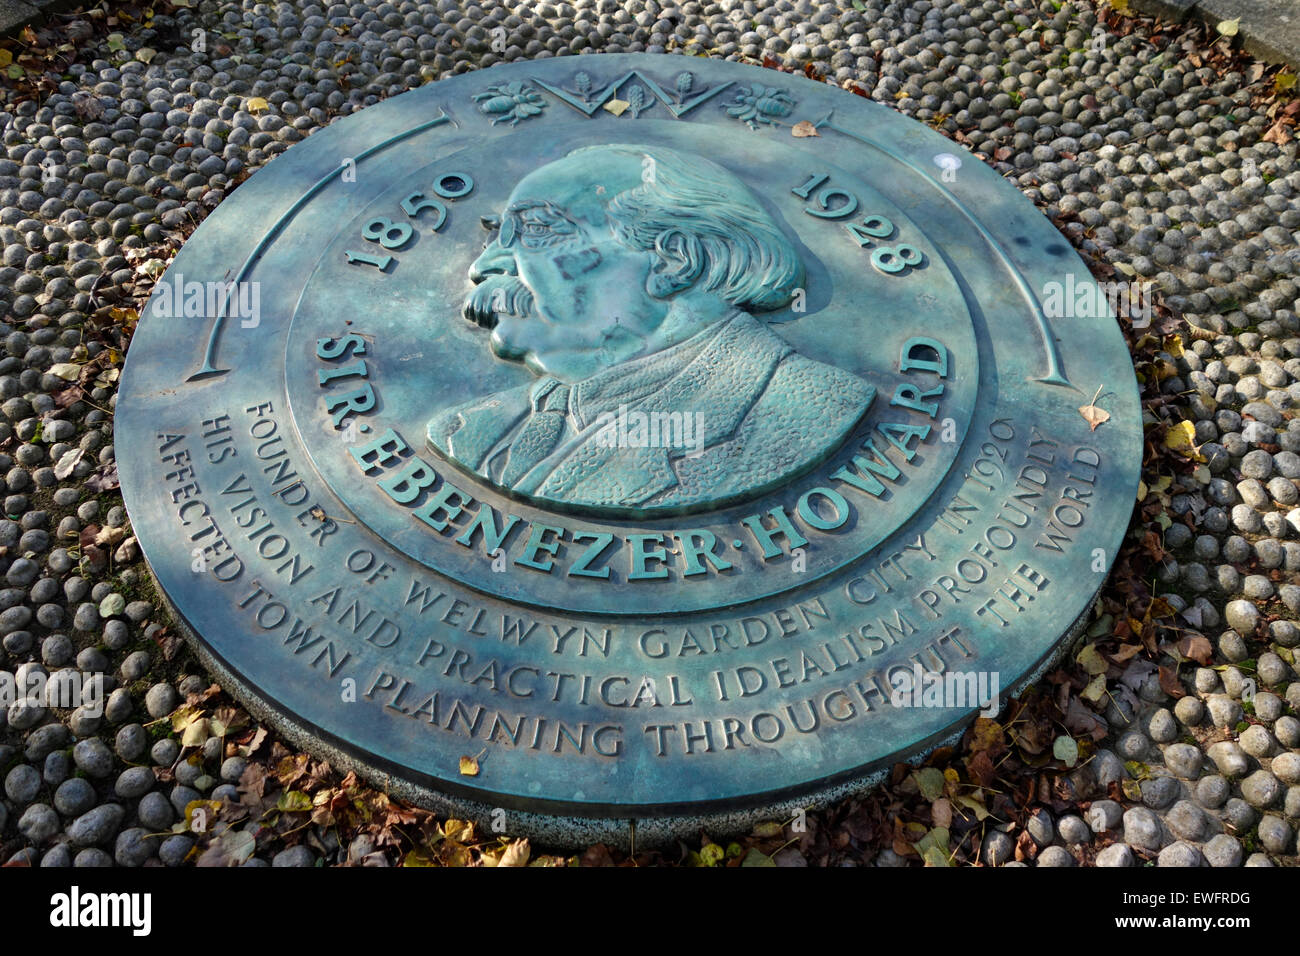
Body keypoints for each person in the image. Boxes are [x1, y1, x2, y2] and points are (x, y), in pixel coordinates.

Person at [427, 143, 875, 513]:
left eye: (539, 230)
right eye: (496, 236)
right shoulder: (468, 428)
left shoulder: (809, 410)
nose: (484, 266)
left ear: (675, 261)